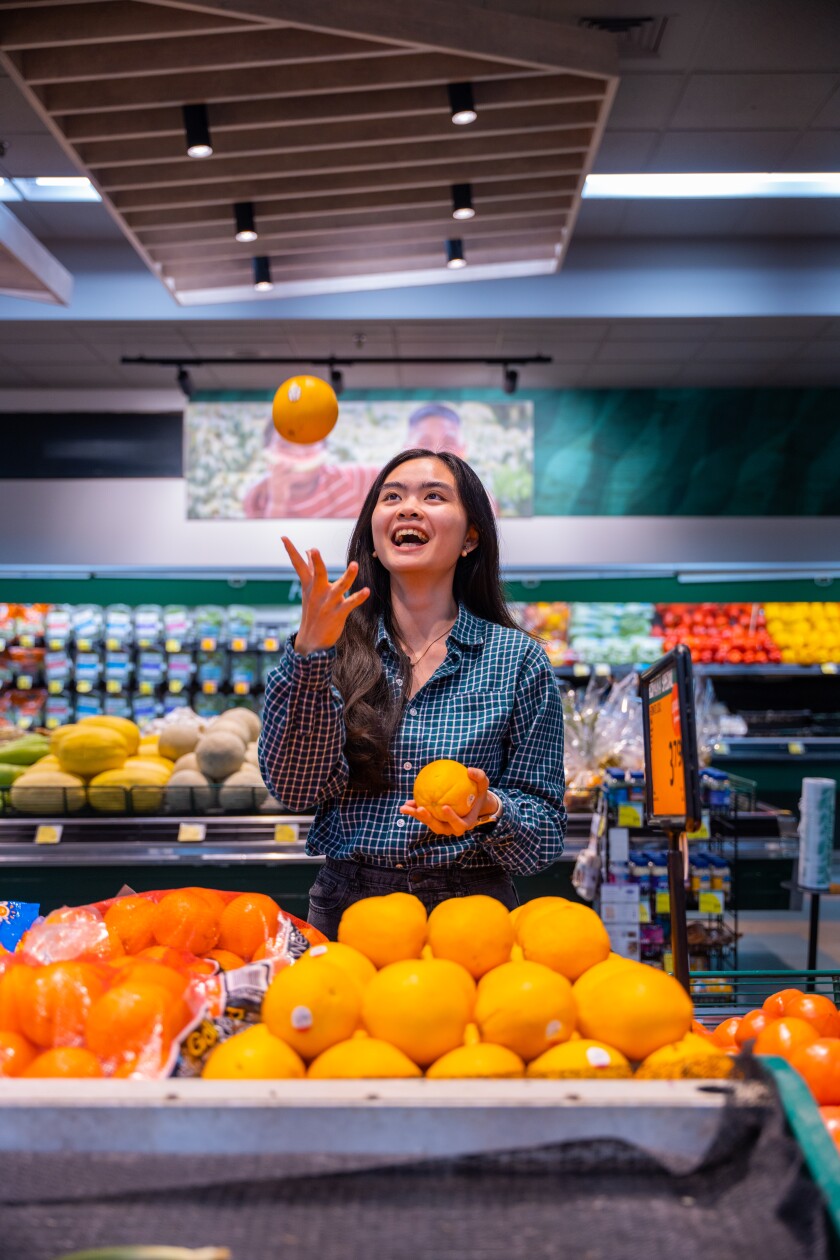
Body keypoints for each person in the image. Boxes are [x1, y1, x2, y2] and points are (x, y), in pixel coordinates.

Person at [258, 449, 566, 938]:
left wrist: (488, 811)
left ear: (470, 538)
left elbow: (545, 837)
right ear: (375, 540)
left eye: (434, 496)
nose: (408, 507)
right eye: (392, 496)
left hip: (472, 915)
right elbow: (297, 789)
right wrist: (309, 653)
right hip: (350, 910)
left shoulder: (517, 660)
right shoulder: (332, 648)